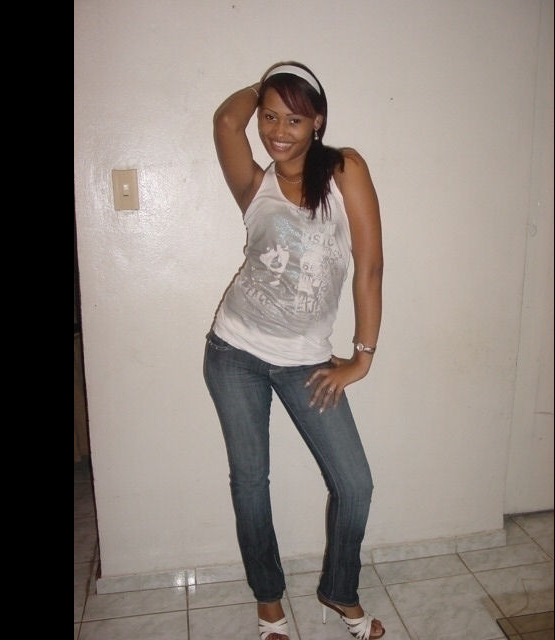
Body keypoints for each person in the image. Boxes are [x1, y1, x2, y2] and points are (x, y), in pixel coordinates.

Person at [204, 61, 384, 640]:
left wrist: (362, 356)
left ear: (318, 122)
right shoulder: (253, 185)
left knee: (354, 484)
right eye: (270, 116)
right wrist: (269, 83)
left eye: (294, 118)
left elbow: (369, 266)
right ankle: (268, 602)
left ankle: (340, 590)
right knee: (250, 481)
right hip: (234, 353)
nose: (278, 130)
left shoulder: (345, 170)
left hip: (307, 360)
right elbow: (225, 122)